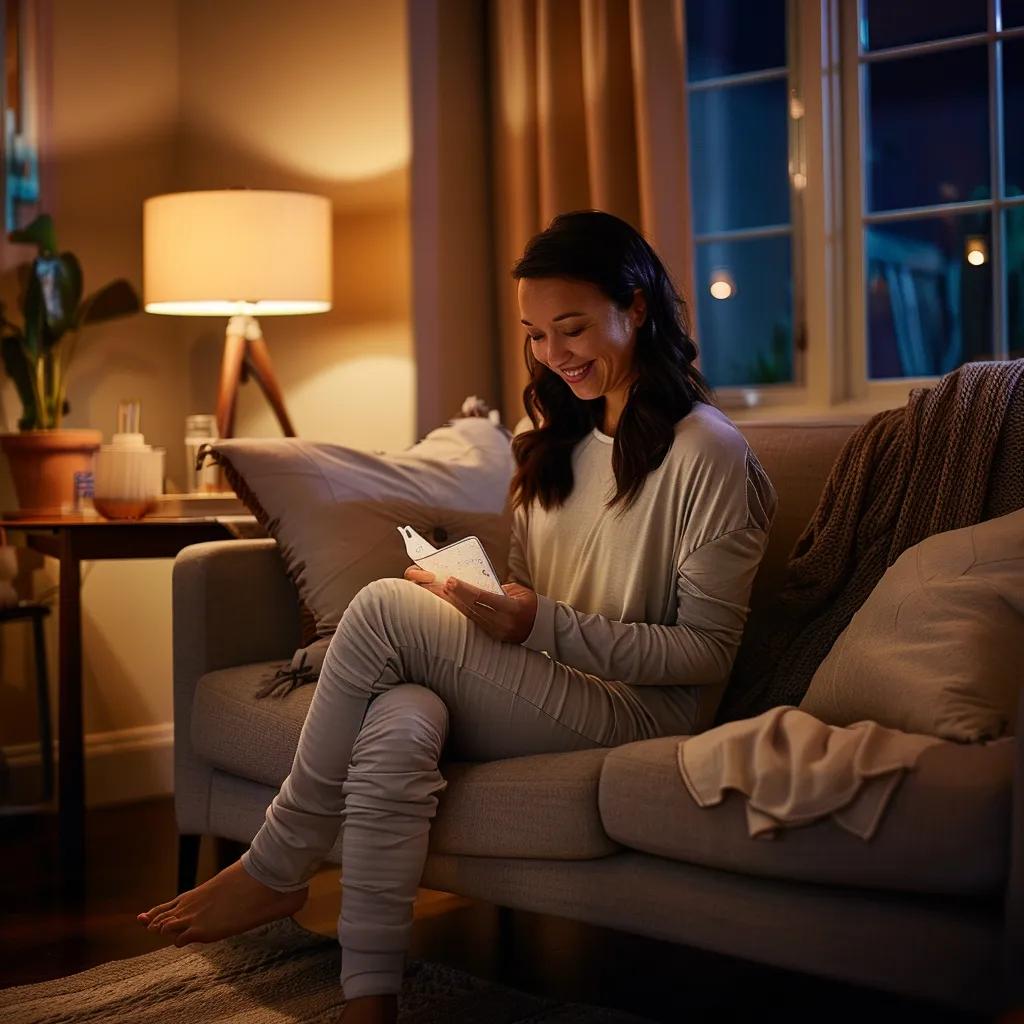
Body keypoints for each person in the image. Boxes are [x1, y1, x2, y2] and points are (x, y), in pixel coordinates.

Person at [137, 210, 778, 1024]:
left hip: (642, 710)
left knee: (380, 610)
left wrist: (533, 624)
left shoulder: (710, 455)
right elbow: (529, 587)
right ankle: (370, 998)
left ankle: (277, 861)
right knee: (401, 717)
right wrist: (473, 600)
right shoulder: (548, 437)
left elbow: (705, 653)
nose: (554, 355)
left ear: (639, 308)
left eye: (573, 328)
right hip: (554, 683)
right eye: (536, 335)